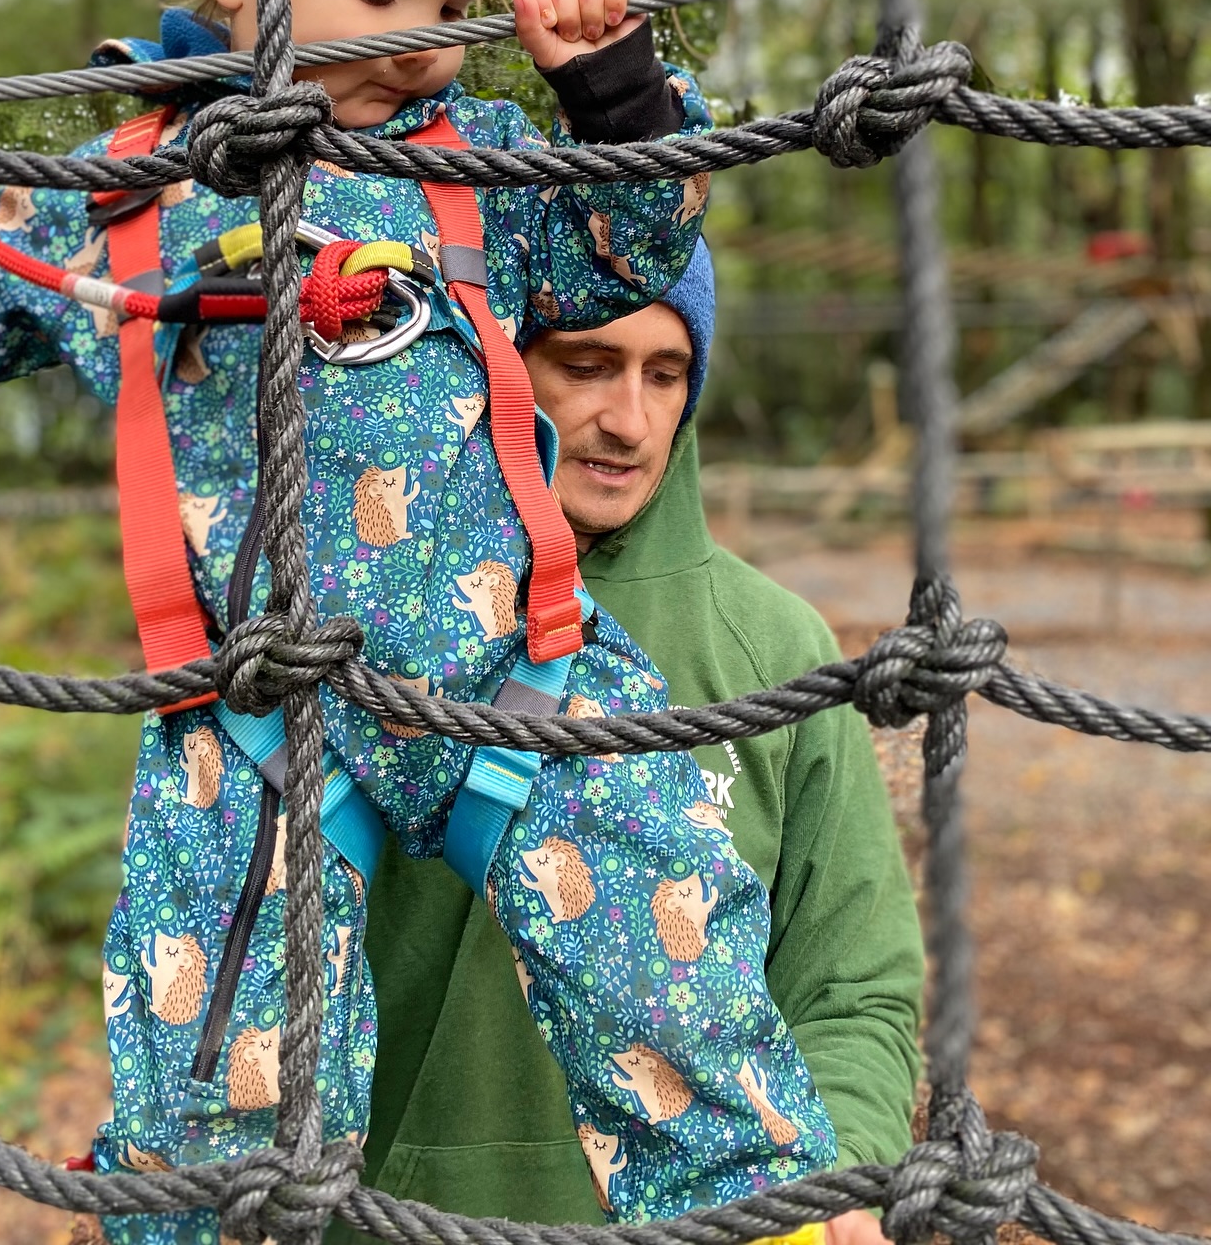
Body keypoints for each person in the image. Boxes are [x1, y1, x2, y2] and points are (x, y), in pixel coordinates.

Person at [0, 0, 839, 1244]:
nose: (423, 42)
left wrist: (609, 83)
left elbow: (634, 235)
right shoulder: (140, 202)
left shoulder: (478, 178)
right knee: (212, 1080)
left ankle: (772, 1216)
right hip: (261, 722)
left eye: (455, 3)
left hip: (519, 667)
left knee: (670, 928)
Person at [345, 242, 924, 1239]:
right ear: (502, 359)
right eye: (585, 365)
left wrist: (839, 1182)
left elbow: (854, 981)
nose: (630, 419)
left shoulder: (777, 647)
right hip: (381, 1215)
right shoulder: (364, 617)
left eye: (666, 374)